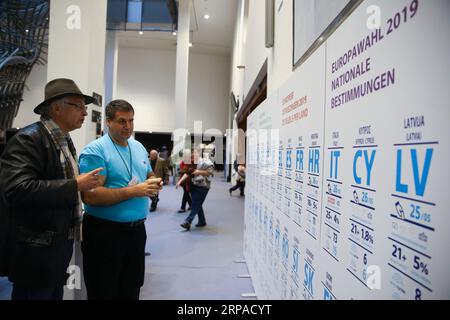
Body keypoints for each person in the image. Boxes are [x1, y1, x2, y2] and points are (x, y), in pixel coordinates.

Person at [0, 78, 101, 300]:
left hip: (55, 242)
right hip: (35, 248)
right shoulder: (28, 139)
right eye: (79, 106)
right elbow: (16, 189)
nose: (84, 113)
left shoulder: (62, 139)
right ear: (56, 108)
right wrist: (75, 184)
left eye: (85, 108)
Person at [78, 99, 162, 300]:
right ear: (108, 121)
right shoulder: (95, 151)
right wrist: (134, 191)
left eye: (131, 121)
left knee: (131, 289)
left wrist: (153, 182)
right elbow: (90, 196)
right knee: (103, 291)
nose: (128, 127)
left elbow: (148, 174)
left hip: (136, 232)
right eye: (122, 121)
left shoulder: (138, 146)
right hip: (105, 234)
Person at [176, 149, 214, 230]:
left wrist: (199, 172)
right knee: (197, 203)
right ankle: (202, 221)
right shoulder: (189, 162)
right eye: (191, 155)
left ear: (198, 154)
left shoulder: (205, 161)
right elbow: (187, 173)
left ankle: (188, 221)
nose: (193, 156)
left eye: (194, 154)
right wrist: (180, 181)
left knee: (195, 204)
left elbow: (210, 172)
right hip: (193, 185)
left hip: (203, 186)